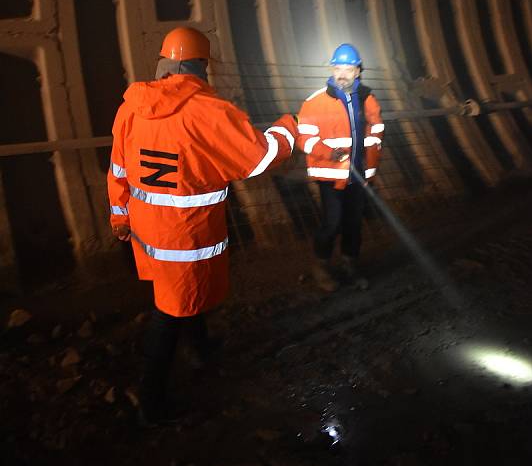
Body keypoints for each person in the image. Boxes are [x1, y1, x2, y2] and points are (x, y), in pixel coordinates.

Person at [107, 26, 298, 425]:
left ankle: (202, 347)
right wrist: (288, 127)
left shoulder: (131, 106)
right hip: (185, 235)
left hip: (146, 233)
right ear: (201, 67)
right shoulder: (209, 111)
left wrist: (119, 216)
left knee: (178, 295)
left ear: (163, 63)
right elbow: (261, 157)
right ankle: (151, 401)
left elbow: (119, 169)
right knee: (170, 311)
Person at [296, 43, 384, 292]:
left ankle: (349, 265)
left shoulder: (367, 99)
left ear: (358, 71)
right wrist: (329, 153)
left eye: (348, 68)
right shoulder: (315, 102)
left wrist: (371, 171)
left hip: (358, 176)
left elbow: (376, 134)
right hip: (331, 175)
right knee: (332, 223)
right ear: (332, 70)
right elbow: (304, 137)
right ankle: (321, 266)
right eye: (338, 67)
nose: (342, 73)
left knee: (354, 224)